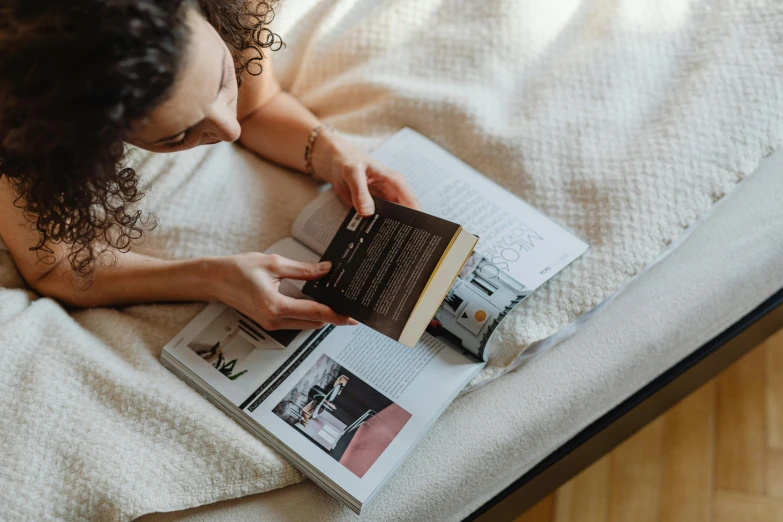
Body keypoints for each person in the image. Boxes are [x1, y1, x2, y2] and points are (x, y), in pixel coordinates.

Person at [0, 0, 420, 331]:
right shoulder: (23, 117)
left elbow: (257, 107)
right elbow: (55, 264)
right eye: (176, 136)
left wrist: (329, 150)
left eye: (223, 79)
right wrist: (210, 277)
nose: (230, 129)